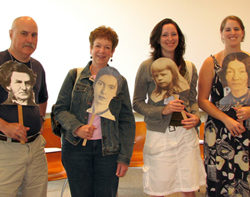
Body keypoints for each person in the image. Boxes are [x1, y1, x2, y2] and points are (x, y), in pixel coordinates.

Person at [53, 25, 135, 197]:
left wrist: (124, 157)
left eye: (107, 47)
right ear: (91, 48)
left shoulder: (120, 81)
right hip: (76, 149)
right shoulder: (74, 76)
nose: (102, 51)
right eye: (98, 46)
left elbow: (127, 121)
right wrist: (77, 127)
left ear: (112, 52)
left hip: (108, 151)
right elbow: (59, 109)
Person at [133, 18, 206, 197]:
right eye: (165, 35)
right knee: (159, 187)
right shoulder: (147, 67)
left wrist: (196, 118)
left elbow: (192, 100)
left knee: (189, 186)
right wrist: (162, 110)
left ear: (179, 38)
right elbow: (137, 102)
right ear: (157, 39)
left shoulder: (189, 67)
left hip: (186, 135)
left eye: (174, 34)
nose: (170, 38)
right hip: (159, 135)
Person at [198, 15, 249, 196]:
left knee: (245, 178)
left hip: (246, 128)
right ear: (221, 34)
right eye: (227, 29)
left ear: (243, 33)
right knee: (218, 179)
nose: (232, 33)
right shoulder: (211, 62)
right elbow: (202, 100)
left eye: (236, 29)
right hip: (219, 130)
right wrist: (227, 120)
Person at [0, 16, 48, 196]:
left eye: (34, 35)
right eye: (24, 34)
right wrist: (5, 126)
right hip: (6, 149)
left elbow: (42, 98)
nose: (30, 39)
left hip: (35, 147)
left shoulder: (37, 67)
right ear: (11, 34)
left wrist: (41, 121)